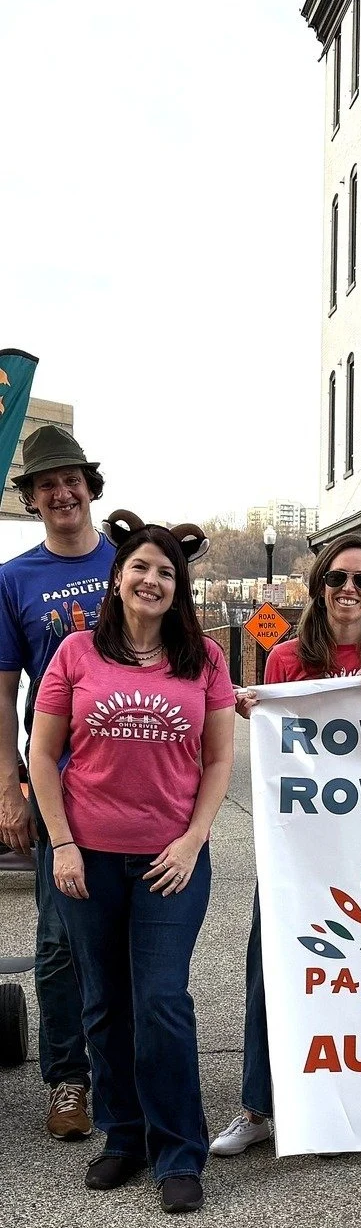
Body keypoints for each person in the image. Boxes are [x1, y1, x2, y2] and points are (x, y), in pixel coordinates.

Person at [28, 521, 234, 1213]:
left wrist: (193, 839)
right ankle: (124, 1137)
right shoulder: (76, 652)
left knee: (161, 1001)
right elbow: (43, 757)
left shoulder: (203, 658)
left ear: (179, 588)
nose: (152, 581)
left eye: (166, 573)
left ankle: (179, 1148)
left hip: (170, 861)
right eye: (141, 567)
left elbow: (218, 761)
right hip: (87, 860)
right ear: (118, 577)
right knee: (105, 1002)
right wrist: (62, 844)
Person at [212, 535, 361, 1157]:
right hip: (298, 847)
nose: (349, 591)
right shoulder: (284, 660)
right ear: (319, 588)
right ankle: (257, 1107)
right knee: (270, 969)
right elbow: (278, 735)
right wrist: (257, 709)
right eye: (337, 580)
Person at [0, 424, 117, 1142]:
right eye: (46, 484)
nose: (61, 492)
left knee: (134, 930)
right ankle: (68, 1081)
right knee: (57, 939)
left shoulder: (131, 562)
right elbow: (3, 686)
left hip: (139, 776)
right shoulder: (14, 579)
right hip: (56, 780)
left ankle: (127, 1067)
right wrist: (5, 785)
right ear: (32, 498)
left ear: (90, 486)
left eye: (70, 478)